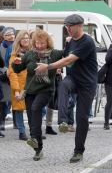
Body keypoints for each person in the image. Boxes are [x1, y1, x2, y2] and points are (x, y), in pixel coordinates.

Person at [35, 14, 98, 163]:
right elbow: (64, 56)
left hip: (87, 84)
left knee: (82, 118)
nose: (67, 29)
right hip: (73, 79)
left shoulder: (88, 42)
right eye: (66, 26)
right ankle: (63, 121)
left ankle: (78, 151)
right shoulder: (70, 42)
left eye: (70, 26)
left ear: (79, 26)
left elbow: (69, 59)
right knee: (63, 84)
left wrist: (48, 67)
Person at [12, 29, 64, 161]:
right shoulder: (29, 54)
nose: (39, 46)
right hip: (30, 91)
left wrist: (70, 43)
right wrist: (15, 64)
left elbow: (70, 56)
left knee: (36, 108)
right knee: (31, 120)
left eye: (42, 43)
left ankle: (34, 138)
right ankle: (38, 149)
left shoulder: (55, 54)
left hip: (46, 90)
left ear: (48, 42)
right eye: (37, 43)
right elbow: (18, 69)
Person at [8, 30, 30, 140]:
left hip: (31, 85)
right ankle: (22, 132)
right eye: (23, 38)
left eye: (27, 38)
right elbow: (12, 73)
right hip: (19, 85)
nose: (26, 40)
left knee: (34, 108)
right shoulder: (14, 55)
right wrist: (16, 89)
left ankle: (35, 131)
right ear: (19, 40)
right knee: (20, 109)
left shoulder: (33, 53)